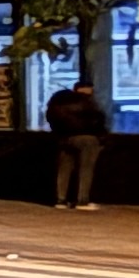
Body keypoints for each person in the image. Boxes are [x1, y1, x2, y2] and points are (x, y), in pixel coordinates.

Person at [46, 75, 110, 209]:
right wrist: (101, 137)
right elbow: (98, 119)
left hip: (65, 137)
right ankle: (82, 200)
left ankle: (61, 200)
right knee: (86, 168)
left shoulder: (58, 101)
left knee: (64, 168)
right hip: (87, 138)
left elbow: (51, 118)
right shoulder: (88, 102)